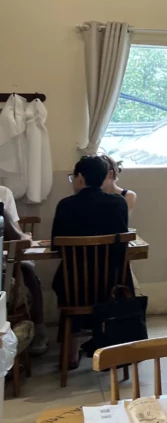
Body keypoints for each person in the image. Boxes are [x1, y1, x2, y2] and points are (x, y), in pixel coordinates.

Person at [50, 156, 130, 366]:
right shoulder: (119, 203)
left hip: (74, 288)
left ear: (80, 178)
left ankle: (71, 353)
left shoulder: (65, 205)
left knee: (70, 280)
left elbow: (56, 246)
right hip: (110, 285)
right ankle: (111, 348)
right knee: (111, 278)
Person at [0, 184, 47, 355]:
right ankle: (39, 332)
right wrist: (25, 238)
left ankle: (39, 330)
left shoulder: (4, 193)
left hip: (6, 261)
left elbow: (15, 232)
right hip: (4, 266)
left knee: (26, 270)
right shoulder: (1, 208)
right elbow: (19, 237)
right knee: (27, 272)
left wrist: (21, 237)